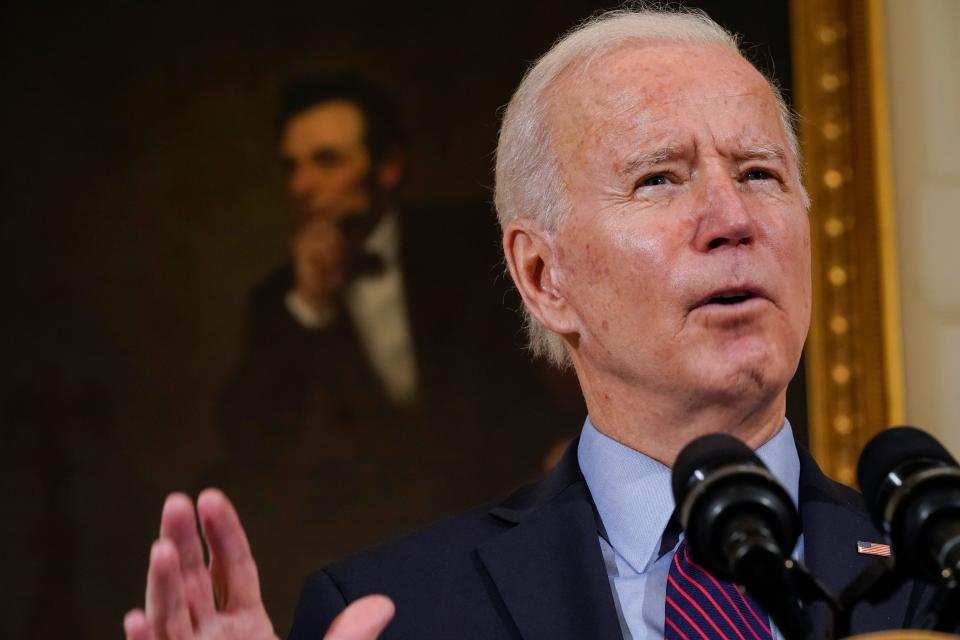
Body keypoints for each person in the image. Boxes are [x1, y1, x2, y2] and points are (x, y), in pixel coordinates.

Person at [125, 8, 929, 640]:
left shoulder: (935, 578)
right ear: (545, 279)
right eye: (659, 179)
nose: (732, 219)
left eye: (760, 173)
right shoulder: (396, 615)